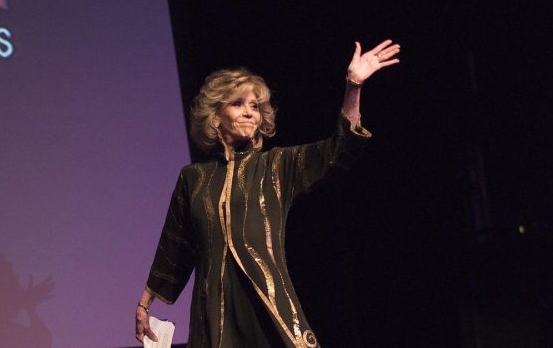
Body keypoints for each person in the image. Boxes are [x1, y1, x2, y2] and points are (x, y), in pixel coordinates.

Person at [135, 40, 400, 347]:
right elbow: (174, 246)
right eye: (238, 104)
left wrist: (353, 86)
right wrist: (144, 304)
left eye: (255, 106)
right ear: (215, 115)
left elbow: (337, 151)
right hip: (215, 313)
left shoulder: (276, 166)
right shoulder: (193, 178)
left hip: (266, 306)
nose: (249, 112)